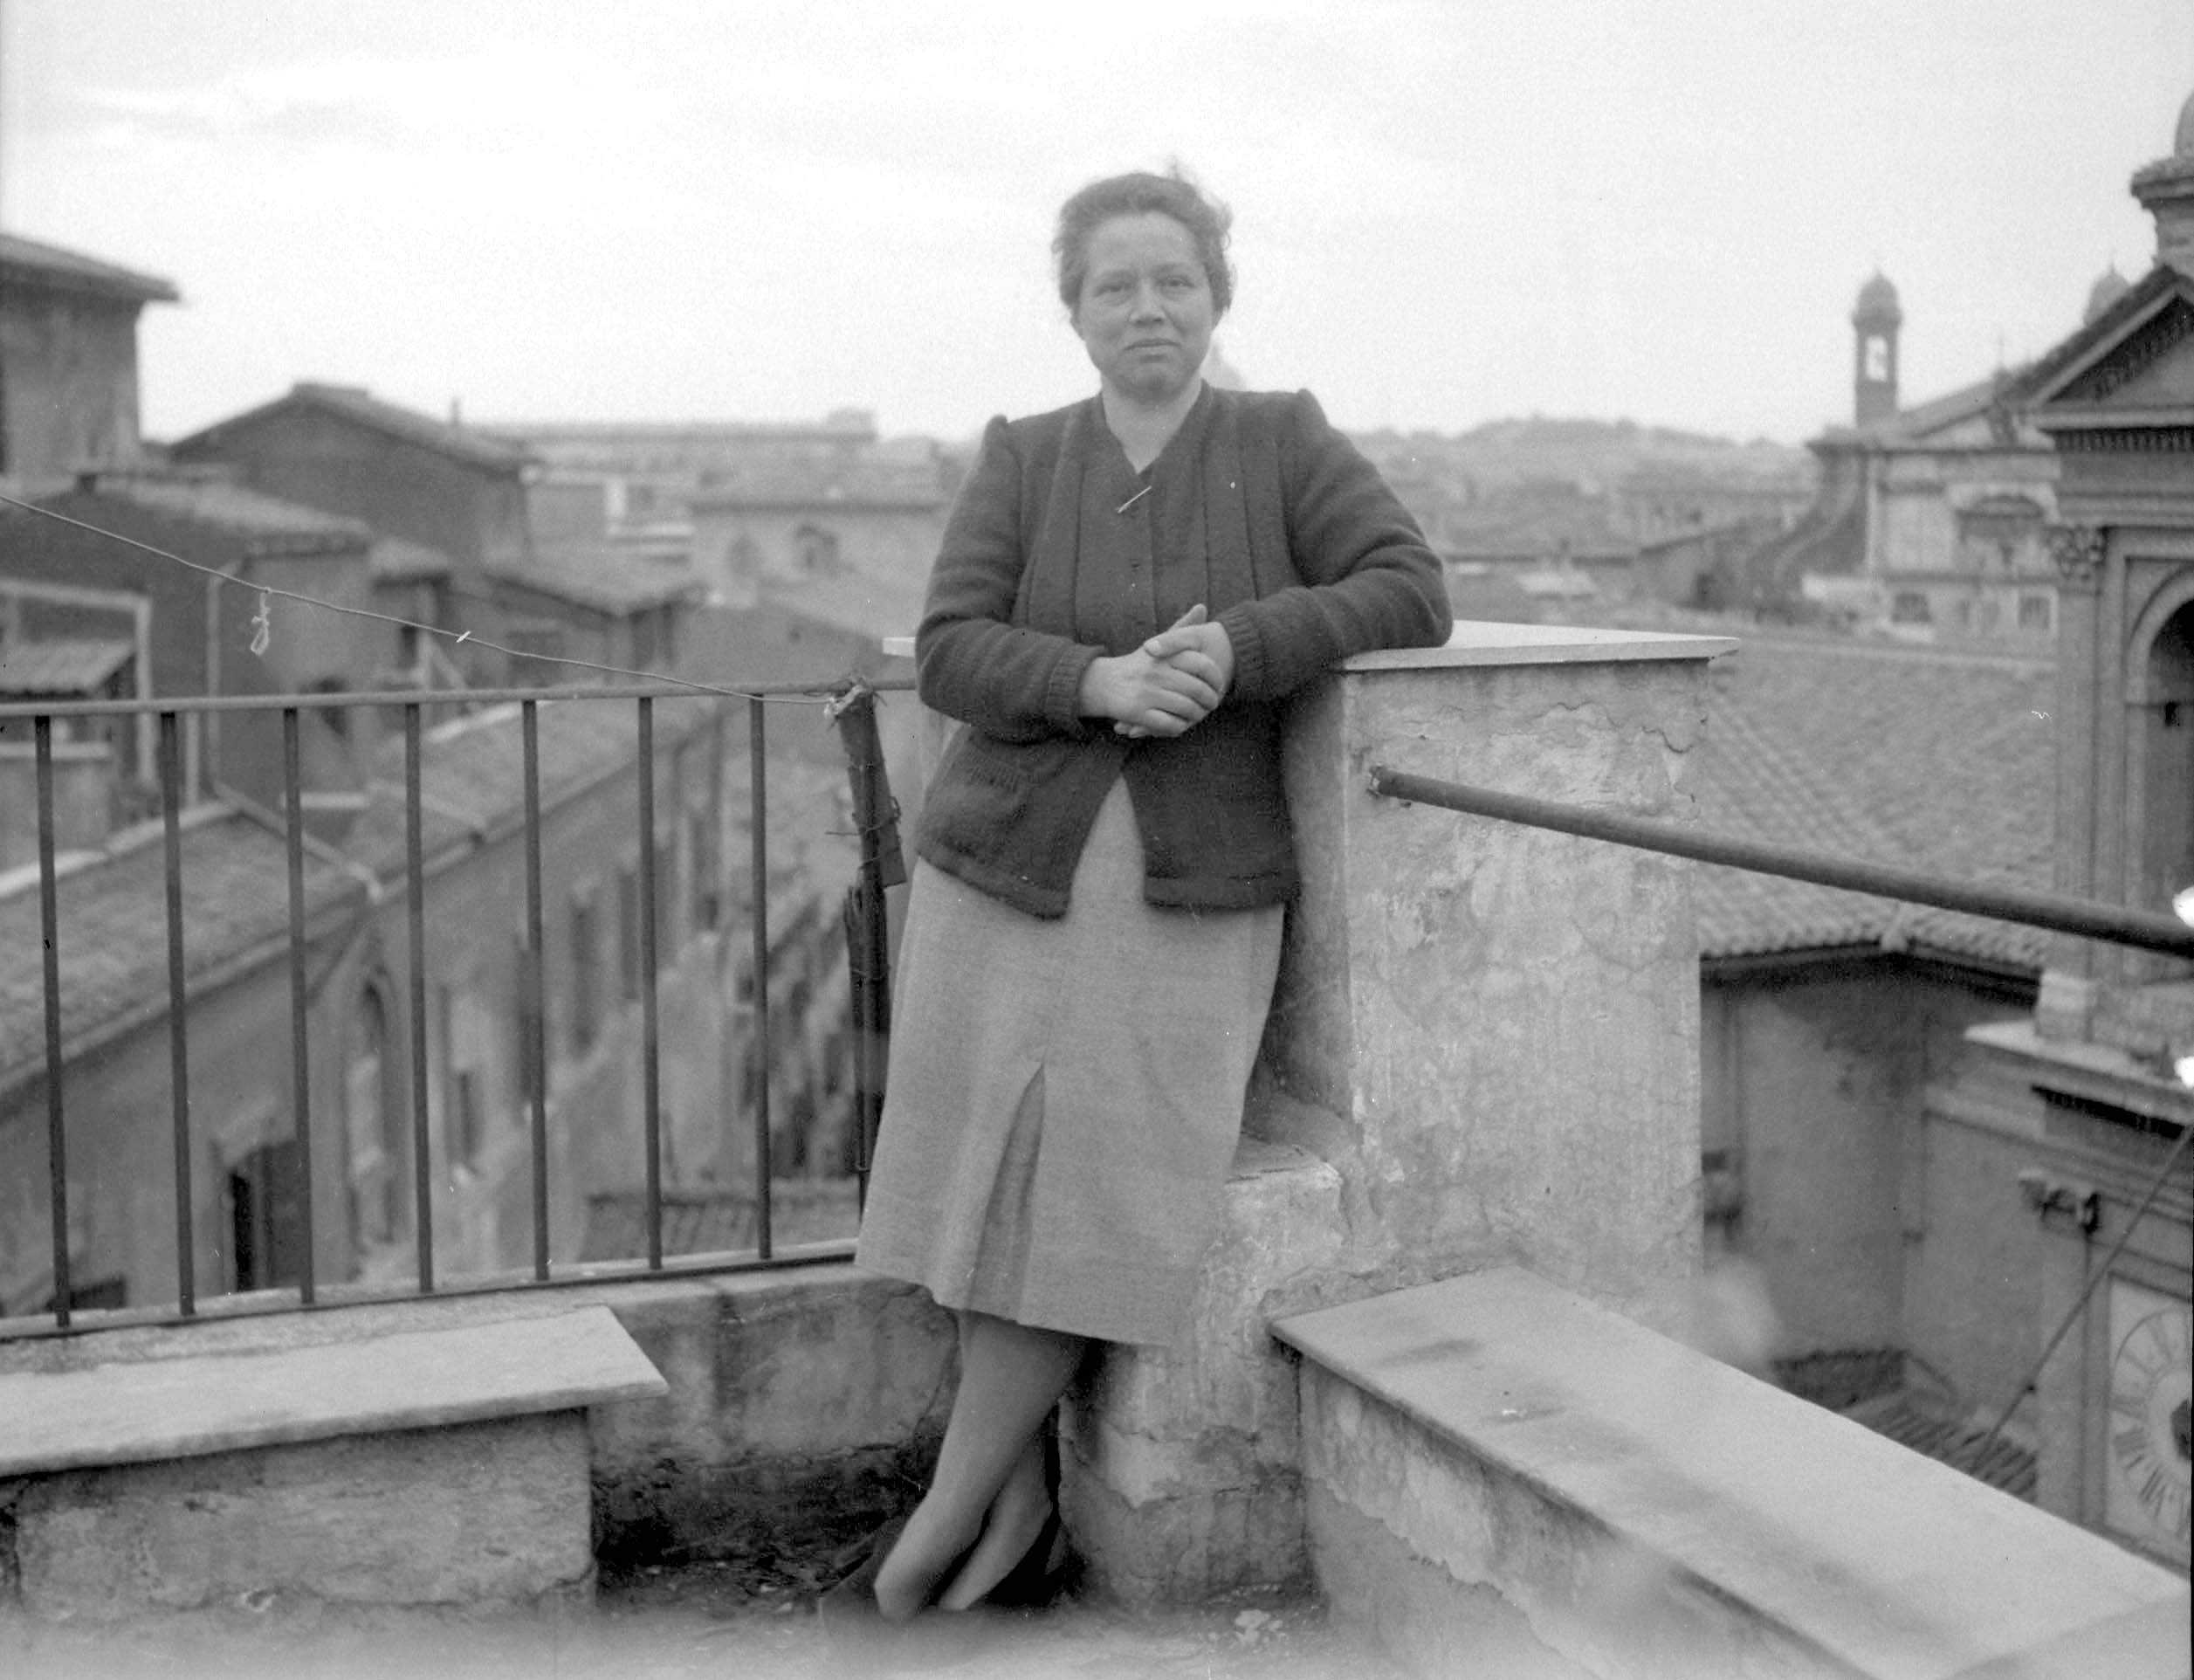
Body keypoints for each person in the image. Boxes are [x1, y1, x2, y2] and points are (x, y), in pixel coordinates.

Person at [833, 167, 1452, 1630]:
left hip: (1184, 890)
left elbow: (1406, 586)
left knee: (1098, 1190)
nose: (1146, 308)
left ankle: (939, 1527)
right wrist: (1094, 681)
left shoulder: (1279, 440)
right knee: (995, 1176)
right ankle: (1018, 1505)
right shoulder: (1025, 455)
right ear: (1075, 311)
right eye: (1114, 284)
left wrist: (1240, 648)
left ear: (1215, 295)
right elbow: (948, 649)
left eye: (1172, 279)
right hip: (1001, 876)